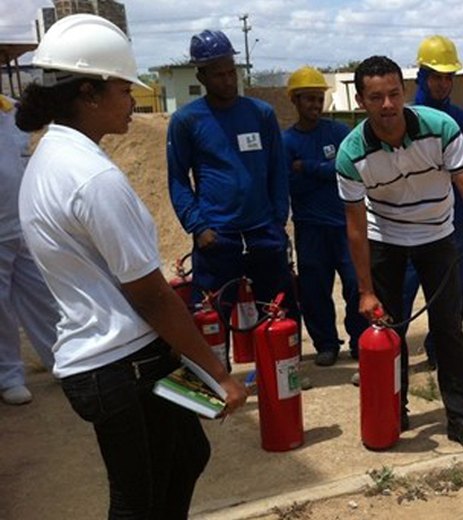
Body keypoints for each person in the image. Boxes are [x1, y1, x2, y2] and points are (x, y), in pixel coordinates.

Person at [16, 14, 247, 518]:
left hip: (128, 357)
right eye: (124, 90)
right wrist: (219, 375)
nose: (132, 101)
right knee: (135, 499)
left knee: (188, 454)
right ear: (88, 93)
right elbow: (151, 296)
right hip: (122, 367)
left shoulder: (53, 157)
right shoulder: (91, 178)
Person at [336, 56, 463, 455]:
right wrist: (365, 290)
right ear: (361, 101)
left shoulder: (441, 128)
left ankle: (460, 418)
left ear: (404, 92)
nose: (387, 105)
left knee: (448, 328)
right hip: (386, 239)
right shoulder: (351, 154)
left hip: (439, 236)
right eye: (376, 97)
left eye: (394, 94)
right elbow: (356, 226)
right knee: (388, 329)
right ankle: (392, 410)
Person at [167, 29, 298, 366]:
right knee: (210, 314)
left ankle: (279, 374)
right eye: (218, 74)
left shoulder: (261, 114)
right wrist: (198, 227)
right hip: (217, 236)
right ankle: (215, 376)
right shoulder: (187, 121)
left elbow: (277, 171)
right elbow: (179, 179)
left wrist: (276, 220)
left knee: (277, 309)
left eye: (231, 71)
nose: (228, 80)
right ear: (201, 75)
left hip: (262, 232)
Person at [401, 35, 463, 370]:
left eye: (449, 77)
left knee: (449, 294)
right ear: (421, 75)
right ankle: (389, 355)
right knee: (398, 294)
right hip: (408, 223)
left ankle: (441, 352)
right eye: (436, 76)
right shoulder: (402, 119)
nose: (443, 84)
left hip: (452, 223)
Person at [283, 66, 367, 367]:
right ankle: (326, 344)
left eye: (319, 99)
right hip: (310, 228)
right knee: (315, 291)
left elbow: (351, 169)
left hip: (345, 224)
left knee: (357, 286)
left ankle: (359, 341)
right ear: (295, 101)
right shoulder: (287, 142)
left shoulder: (339, 133)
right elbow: (289, 185)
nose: (315, 106)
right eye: (309, 99)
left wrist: (308, 168)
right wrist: (323, 173)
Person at [0, 93, 58, 405]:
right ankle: (8, 375)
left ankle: (62, 362)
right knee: (1, 309)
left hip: (21, 222)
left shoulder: (12, 112)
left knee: (42, 296)